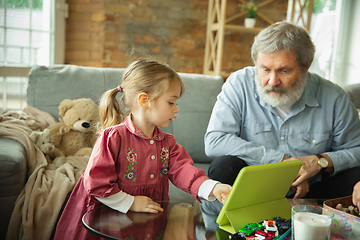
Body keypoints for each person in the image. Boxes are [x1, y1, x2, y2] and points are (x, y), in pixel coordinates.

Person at [200, 21, 360, 231]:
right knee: (223, 167)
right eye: (265, 69)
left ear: (306, 65)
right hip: (253, 191)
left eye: (284, 71)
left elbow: (356, 149)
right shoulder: (238, 84)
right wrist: (285, 164)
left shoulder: (334, 97)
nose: (272, 80)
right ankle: (226, 232)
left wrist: (320, 162)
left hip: (314, 188)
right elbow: (215, 140)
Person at [53, 58, 232, 240]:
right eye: (171, 102)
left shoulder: (168, 143)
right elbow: (97, 183)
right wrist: (130, 202)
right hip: (107, 222)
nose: (176, 109)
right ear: (144, 100)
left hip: (147, 222)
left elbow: (184, 171)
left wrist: (213, 187)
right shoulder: (113, 137)